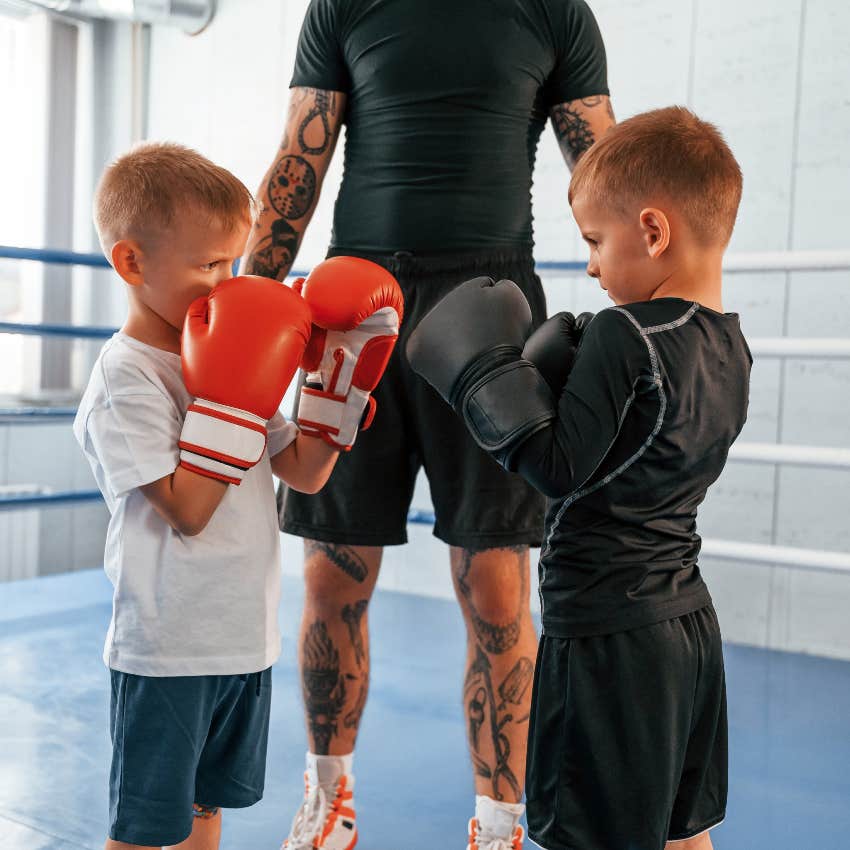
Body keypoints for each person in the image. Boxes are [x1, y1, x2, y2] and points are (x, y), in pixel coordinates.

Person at [240, 1, 614, 846]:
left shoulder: (554, 10)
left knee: (496, 584)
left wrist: (654, 312)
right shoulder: (343, 3)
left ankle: (500, 821)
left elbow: (606, 171)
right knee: (333, 575)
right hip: (351, 304)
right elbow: (300, 157)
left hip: (491, 306)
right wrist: (247, 311)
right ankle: (329, 800)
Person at [407, 106, 750, 850]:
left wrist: (484, 377)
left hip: (606, 638)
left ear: (653, 231)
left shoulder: (626, 333)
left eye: (597, 240)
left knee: (587, 835)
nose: (591, 265)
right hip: (687, 626)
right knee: (680, 831)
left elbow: (555, 468)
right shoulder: (730, 344)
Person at [74, 142, 401, 850]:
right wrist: (232, 396)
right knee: (141, 832)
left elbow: (304, 472)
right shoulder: (126, 378)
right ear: (131, 263)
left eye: (233, 262)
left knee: (204, 814)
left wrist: (338, 386)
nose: (226, 284)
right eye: (207, 266)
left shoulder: (225, 349)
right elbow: (187, 510)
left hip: (242, 640)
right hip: (166, 650)